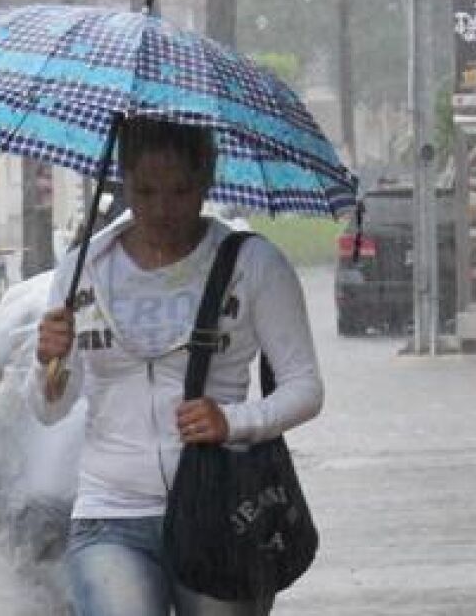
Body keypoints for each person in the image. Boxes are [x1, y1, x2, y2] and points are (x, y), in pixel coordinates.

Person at [25, 116, 323, 616]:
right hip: (109, 512)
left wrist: (233, 421)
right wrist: (48, 363)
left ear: (207, 179)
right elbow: (50, 409)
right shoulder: (84, 268)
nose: (162, 209)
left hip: (220, 511)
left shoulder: (251, 264)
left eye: (180, 191)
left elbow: (305, 388)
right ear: (122, 181)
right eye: (145, 191)